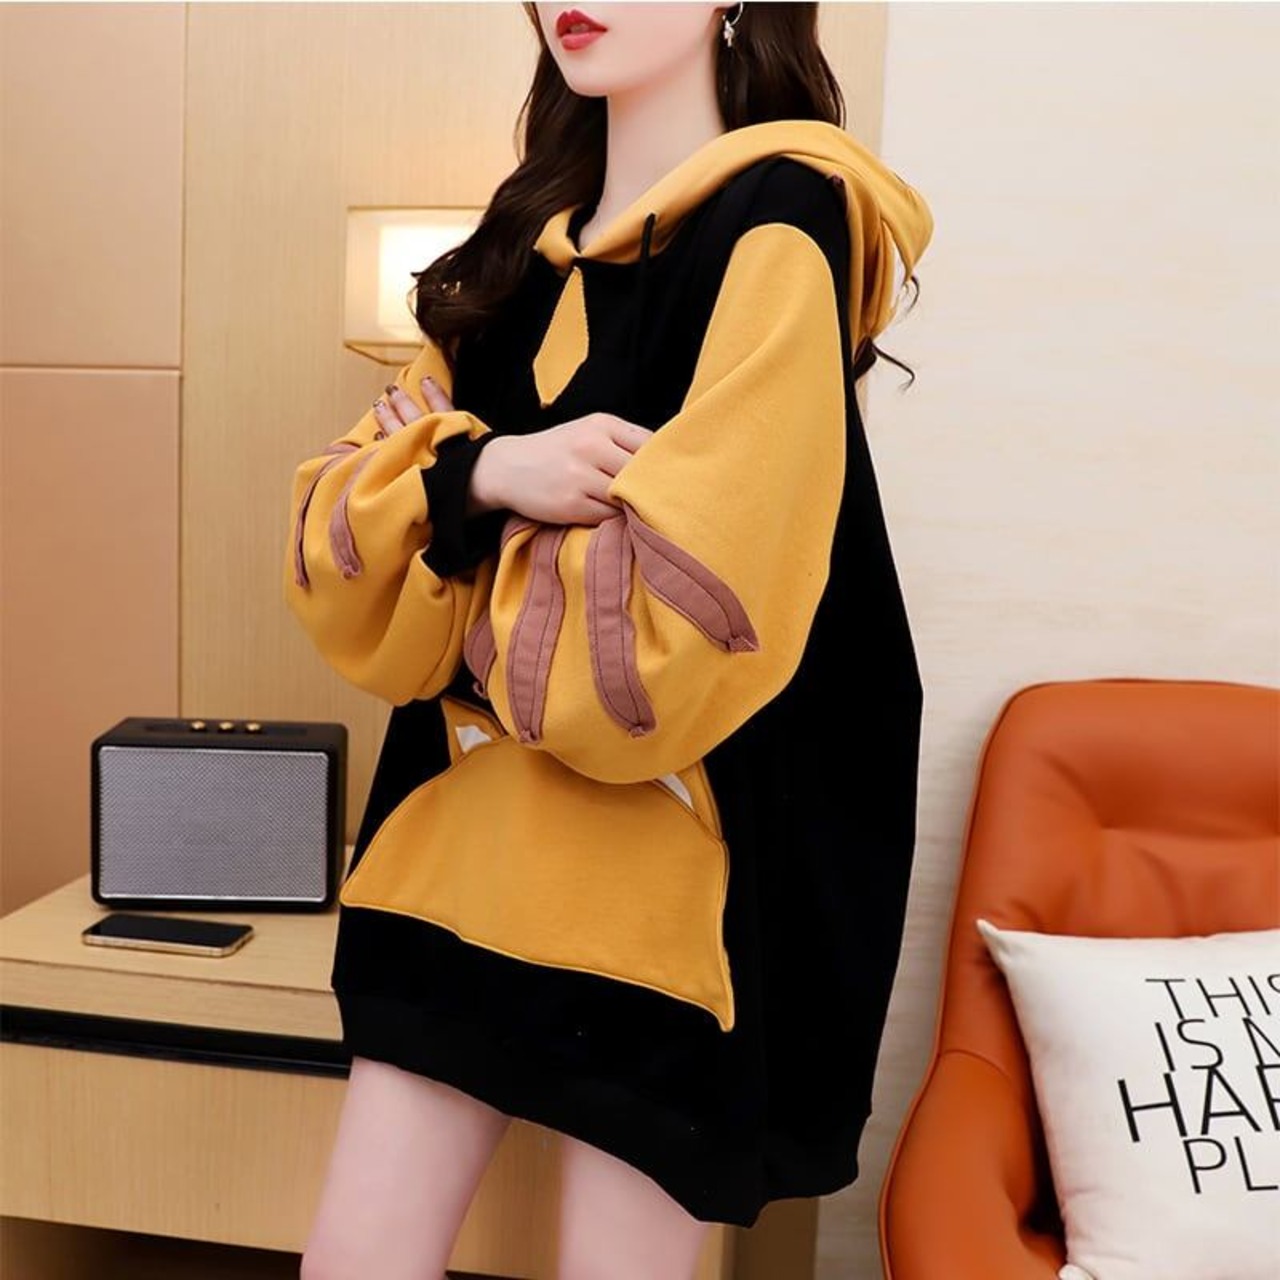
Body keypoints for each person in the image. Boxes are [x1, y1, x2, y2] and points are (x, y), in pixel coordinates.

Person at [286, 4, 933, 1278]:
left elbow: (671, 641)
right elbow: (343, 564)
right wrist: (494, 474)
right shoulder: (510, 244)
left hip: (674, 887)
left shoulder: (781, 221)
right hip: (449, 858)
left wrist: (445, 503)